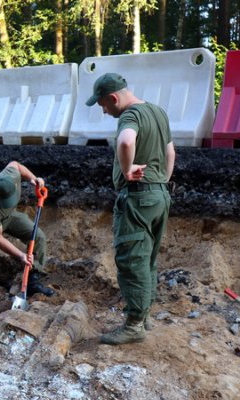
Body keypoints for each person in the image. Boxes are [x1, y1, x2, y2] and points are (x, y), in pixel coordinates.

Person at [86, 72, 175, 344]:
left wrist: (127, 170)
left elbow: (126, 141)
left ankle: (134, 325)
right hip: (160, 195)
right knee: (147, 258)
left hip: (138, 199)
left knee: (132, 259)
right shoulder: (158, 112)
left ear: (114, 97)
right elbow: (171, 153)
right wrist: (161, 181)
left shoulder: (130, 115)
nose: (103, 110)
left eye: (102, 104)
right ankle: (144, 316)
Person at [0, 161, 56, 327]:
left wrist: (34, 179)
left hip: (9, 216)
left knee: (38, 236)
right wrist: (21, 256)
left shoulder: (10, 174)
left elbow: (17, 165)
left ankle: (32, 281)